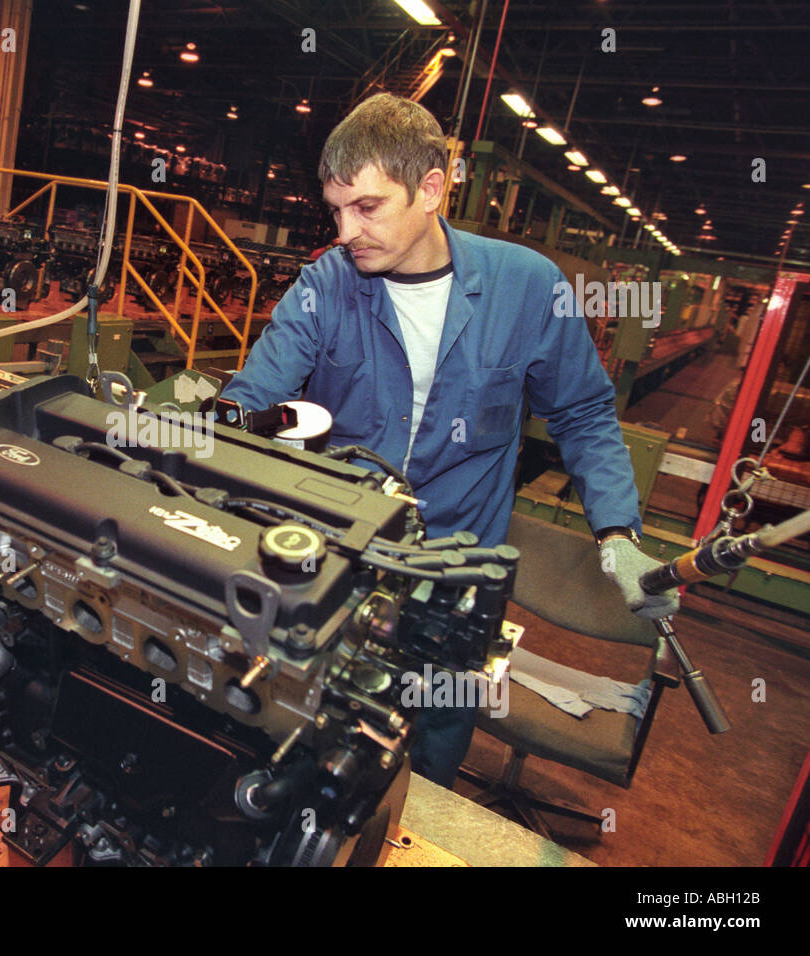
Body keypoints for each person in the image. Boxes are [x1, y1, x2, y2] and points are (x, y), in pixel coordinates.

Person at [220, 93, 681, 788]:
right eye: (336, 209)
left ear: (431, 188)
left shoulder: (526, 289)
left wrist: (617, 532)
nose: (346, 231)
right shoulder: (328, 285)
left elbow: (584, 413)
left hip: (454, 579)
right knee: (307, 735)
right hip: (336, 560)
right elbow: (251, 403)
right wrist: (233, 434)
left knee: (428, 754)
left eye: (367, 207)